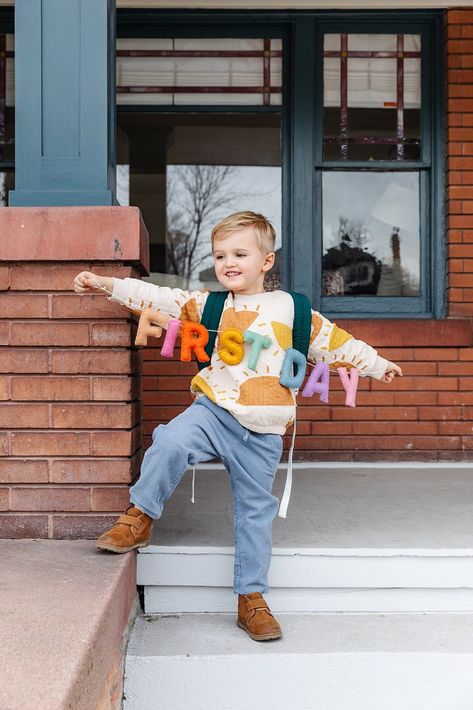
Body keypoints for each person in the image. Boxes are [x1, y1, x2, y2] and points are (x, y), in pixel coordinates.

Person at [73, 211, 402, 642]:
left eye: (240, 253)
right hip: (214, 411)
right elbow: (157, 298)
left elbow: (338, 343)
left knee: (254, 514)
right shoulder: (209, 306)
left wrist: (377, 365)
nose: (229, 262)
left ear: (266, 261)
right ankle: (141, 515)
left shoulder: (292, 308)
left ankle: (251, 599)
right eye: (220, 254)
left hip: (263, 431)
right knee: (171, 440)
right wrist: (108, 285)